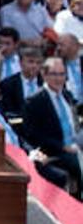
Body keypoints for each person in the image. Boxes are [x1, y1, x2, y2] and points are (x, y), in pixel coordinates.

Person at [21, 58, 82, 193]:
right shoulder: (35, 101)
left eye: (62, 74)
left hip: (77, 146)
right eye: (54, 74)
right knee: (78, 164)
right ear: (44, 74)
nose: (58, 79)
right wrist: (62, 147)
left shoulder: (67, 96)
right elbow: (33, 134)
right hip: (55, 151)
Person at [0, 44, 45, 119]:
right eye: (30, 62)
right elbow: (8, 111)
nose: (34, 66)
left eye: (38, 63)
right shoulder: (8, 84)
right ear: (20, 63)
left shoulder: (45, 83)